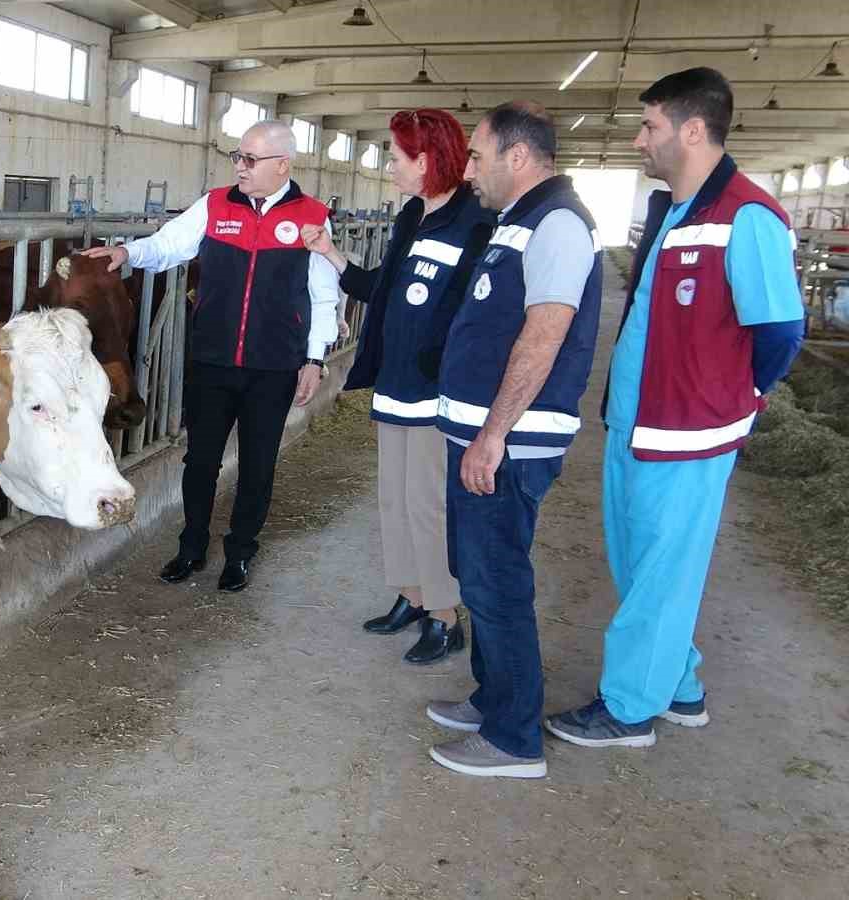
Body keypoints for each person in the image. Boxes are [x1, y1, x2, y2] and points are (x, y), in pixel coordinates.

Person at [545, 68, 804, 748]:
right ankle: (680, 685)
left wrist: (744, 396)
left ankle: (630, 709)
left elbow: (780, 330)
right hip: (637, 420)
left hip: (691, 430)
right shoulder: (673, 211)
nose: (639, 140)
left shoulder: (747, 215)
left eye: (650, 126)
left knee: (662, 571)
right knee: (642, 564)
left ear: (693, 130)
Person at [423, 101, 604, 779]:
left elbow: (545, 332)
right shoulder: (519, 221)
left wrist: (493, 433)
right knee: (476, 571)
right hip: (480, 433)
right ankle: (493, 696)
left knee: (497, 582)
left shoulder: (557, 223)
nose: (469, 169)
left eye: (477, 155)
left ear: (518, 157)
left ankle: (513, 738)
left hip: (509, 441)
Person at [86, 120, 340, 592]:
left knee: (258, 464)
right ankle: (192, 546)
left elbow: (323, 295)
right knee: (200, 461)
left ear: (282, 165)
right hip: (212, 359)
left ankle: (240, 551)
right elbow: (169, 245)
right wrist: (127, 252)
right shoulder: (216, 204)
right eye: (237, 157)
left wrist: (314, 358)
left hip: (274, 365)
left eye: (250, 159)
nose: (239, 167)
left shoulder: (311, 217)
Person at [304, 108, 495, 664]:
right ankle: (411, 596)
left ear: (427, 160)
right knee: (393, 500)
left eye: (396, 157)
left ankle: (444, 615)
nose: (390, 167)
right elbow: (385, 290)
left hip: (438, 392)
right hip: (395, 384)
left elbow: (476, 315)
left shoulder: (477, 221)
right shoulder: (412, 214)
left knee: (426, 505)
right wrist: (332, 255)